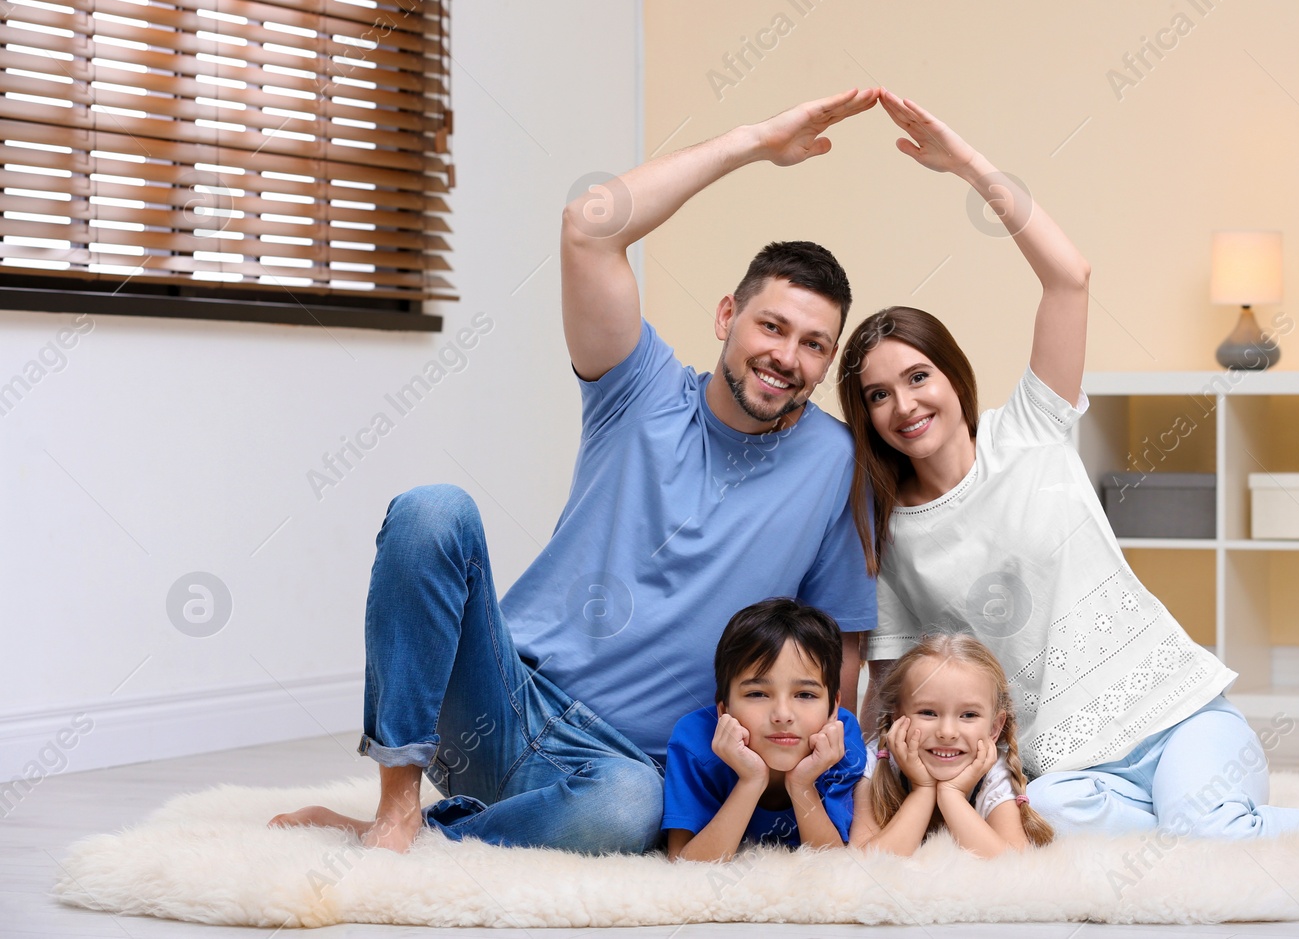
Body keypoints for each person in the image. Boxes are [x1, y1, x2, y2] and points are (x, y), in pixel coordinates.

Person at [270, 88, 885, 853]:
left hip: (626, 766)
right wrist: (755, 141)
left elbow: (838, 644)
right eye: (772, 325)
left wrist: (829, 785)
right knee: (432, 510)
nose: (787, 357)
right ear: (728, 316)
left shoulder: (835, 462)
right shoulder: (641, 388)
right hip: (506, 701)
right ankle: (396, 807)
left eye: (815, 344)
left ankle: (440, 833)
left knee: (627, 810)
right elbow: (589, 226)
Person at [839, 90, 1299, 840]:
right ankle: (1208, 819)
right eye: (878, 394)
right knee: (1039, 819)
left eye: (918, 376)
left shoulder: (1031, 429)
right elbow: (891, 679)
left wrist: (972, 169)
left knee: (1200, 827)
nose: (904, 404)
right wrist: (859, 773)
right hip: (1066, 770)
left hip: (1179, 717)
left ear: (952, 375)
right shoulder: (897, 535)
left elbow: (1069, 278)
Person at [663, 598, 866, 861]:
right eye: (758, 693)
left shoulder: (841, 740)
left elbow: (831, 866)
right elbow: (683, 865)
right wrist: (751, 781)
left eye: (805, 695)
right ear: (724, 709)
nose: (782, 715)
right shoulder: (694, 741)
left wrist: (802, 783)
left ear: (833, 707)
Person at [850, 633, 1052, 858]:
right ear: (897, 717)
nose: (947, 733)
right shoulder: (877, 762)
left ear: (995, 728)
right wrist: (923, 790)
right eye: (928, 712)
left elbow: (1014, 864)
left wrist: (951, 794)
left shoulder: (993, 773)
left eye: (968, 715)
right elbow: (863, 861)